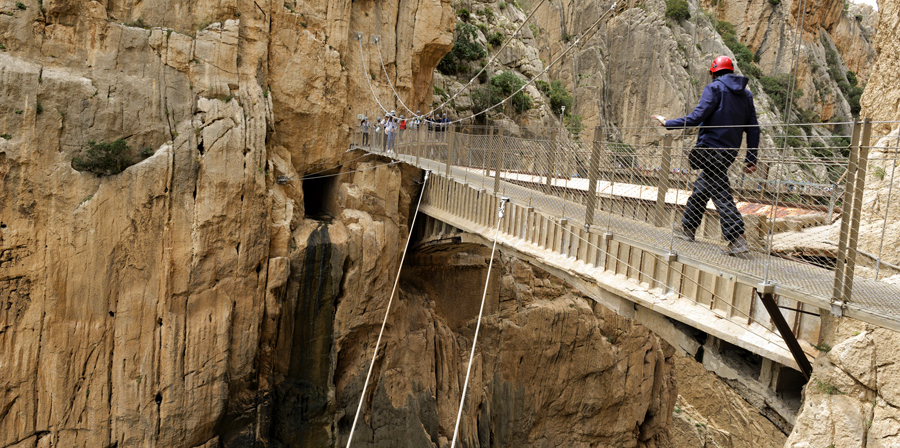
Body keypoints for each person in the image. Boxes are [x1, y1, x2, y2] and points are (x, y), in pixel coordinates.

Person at [652, 55, 760, 256]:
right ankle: (688, 229)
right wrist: (751, 158)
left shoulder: (714, 88)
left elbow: (697, 117)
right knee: (703, 187)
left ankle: (737, 239)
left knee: (720, 193)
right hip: (729, 153)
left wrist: (668, 124)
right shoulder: (746, 95)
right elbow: (753, 128)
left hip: (710, 150)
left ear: (713, 72)